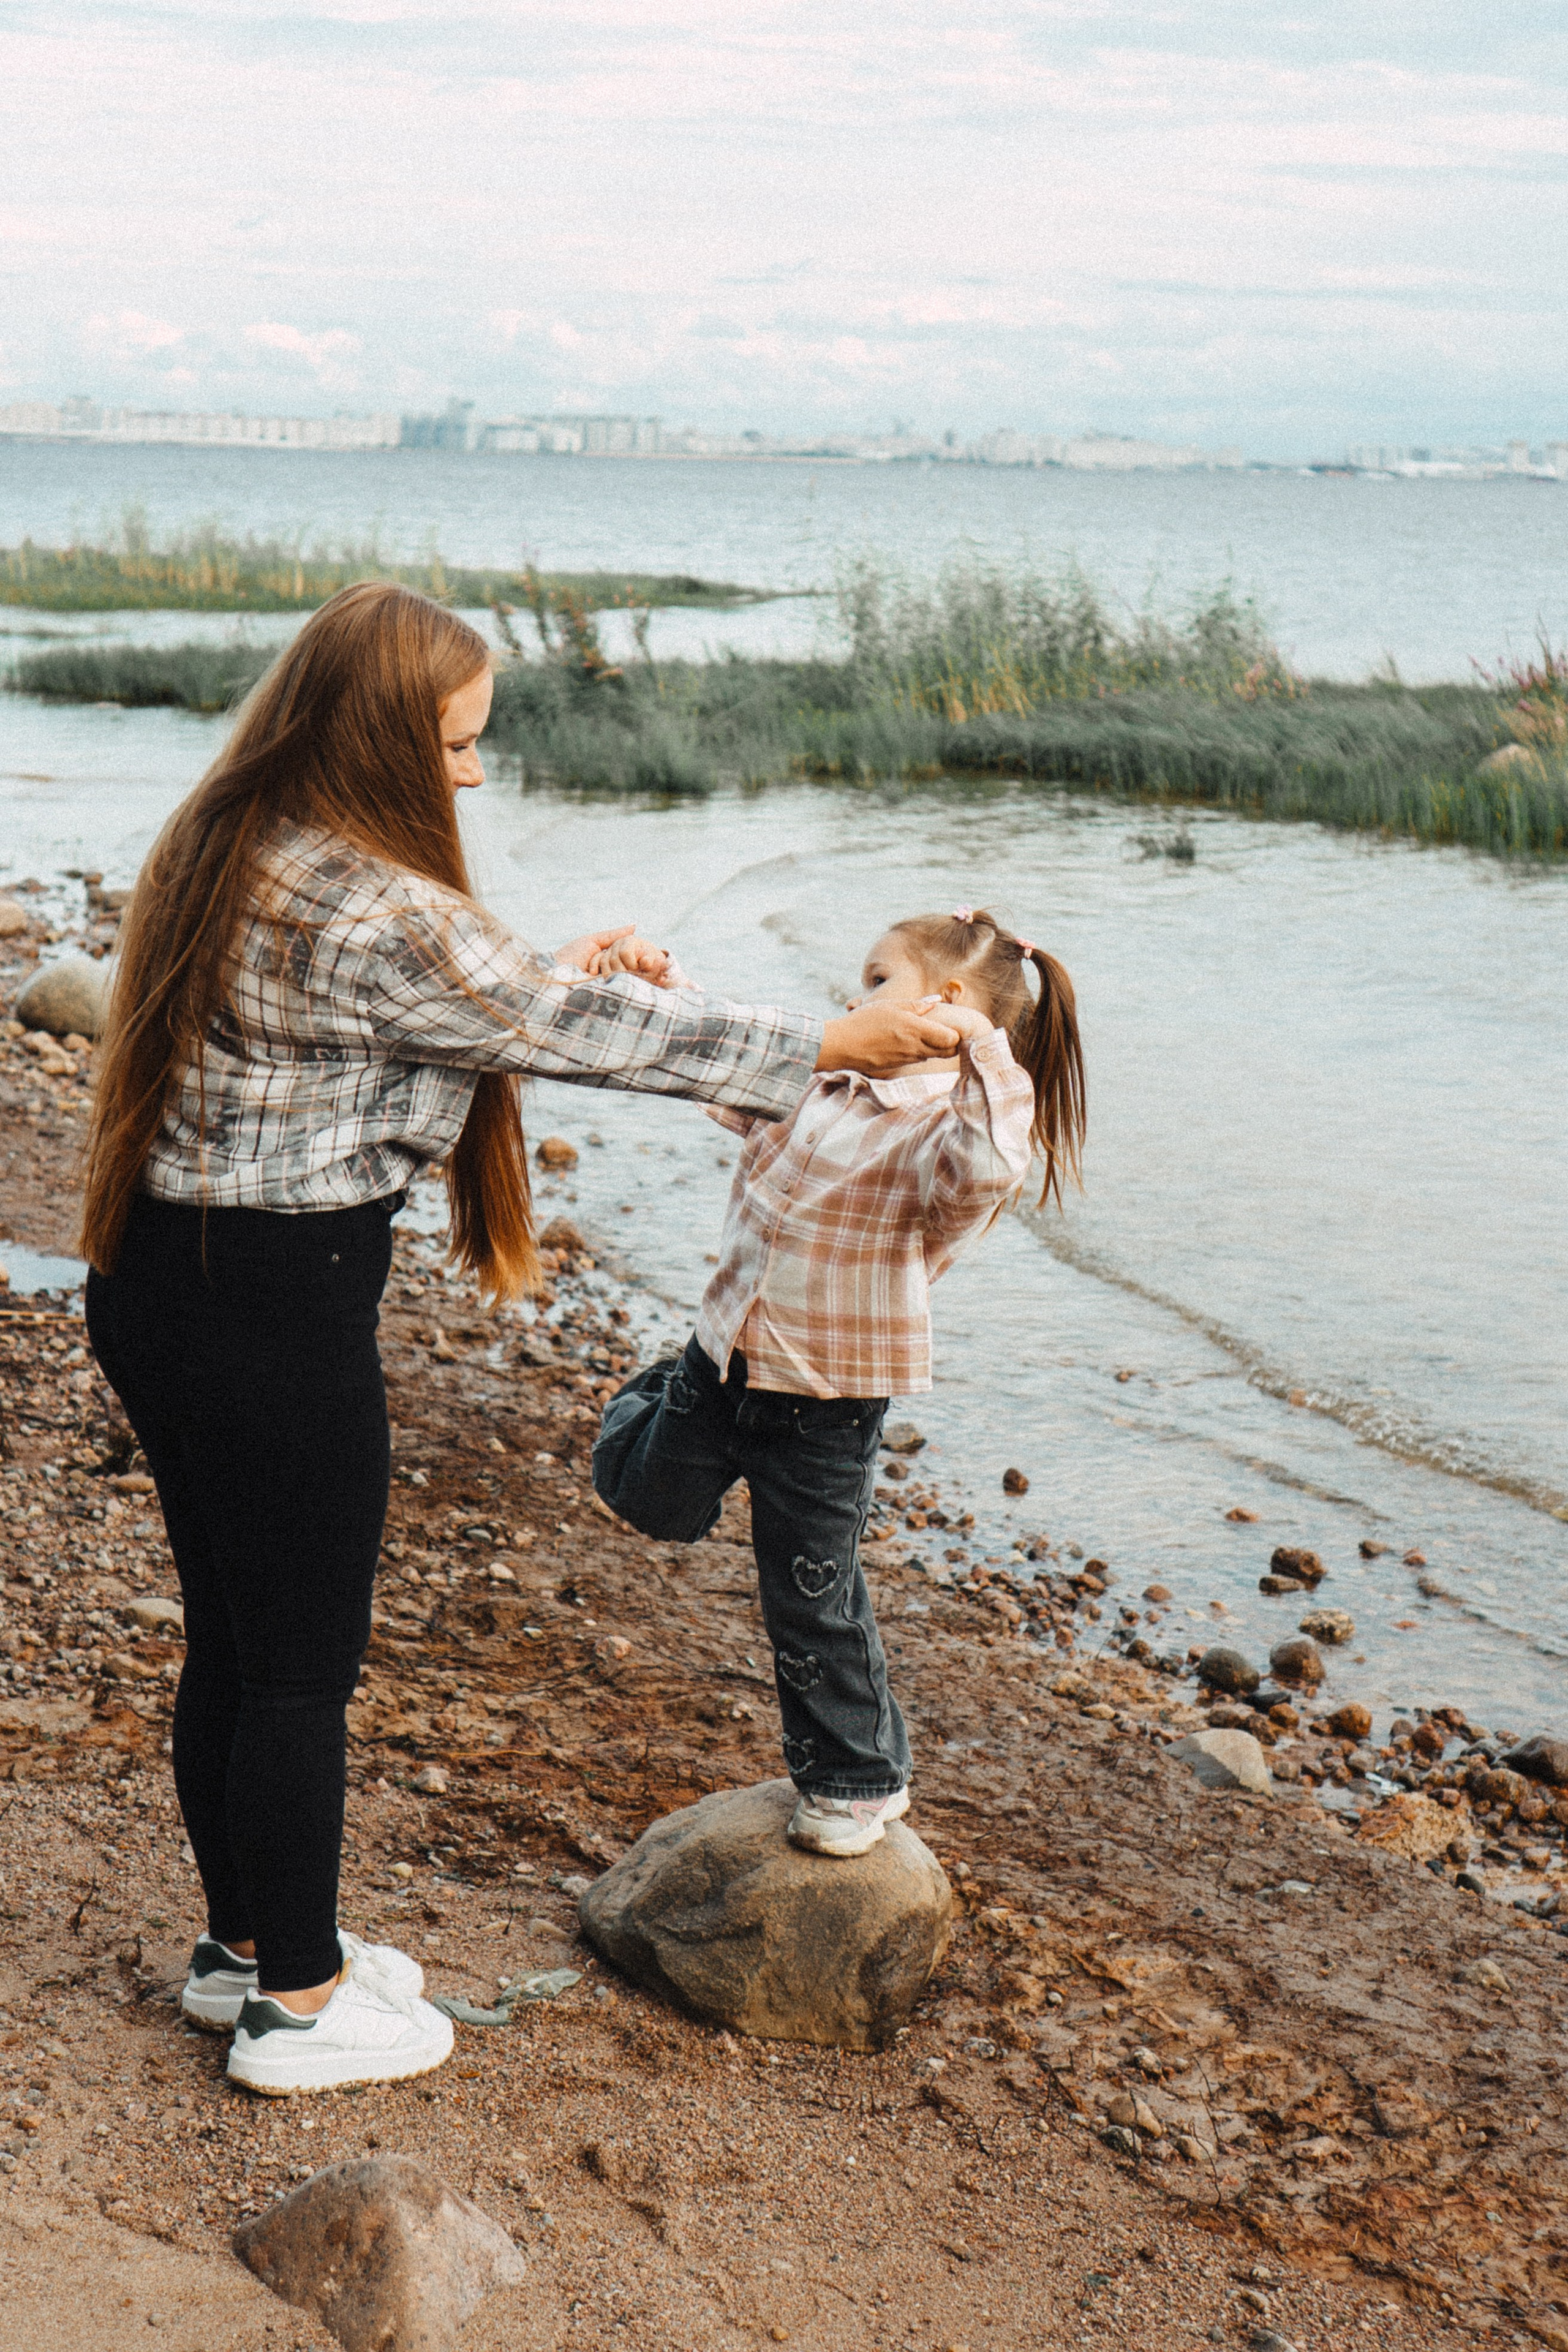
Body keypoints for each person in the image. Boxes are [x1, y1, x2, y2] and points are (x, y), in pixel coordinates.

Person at [79, 582, 963, 2097]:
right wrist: (835, 1042)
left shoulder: (248, 836)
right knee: (297, 1666)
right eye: (458, 745)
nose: (473, 774)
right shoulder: (373, 898)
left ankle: (247, 1953)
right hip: (269, 1314)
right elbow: (547, 1025)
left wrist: (559, 977)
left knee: (236, 1638)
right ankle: (298, 2003)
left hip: (169, 1282)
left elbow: (455, 1010)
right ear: (376, 739)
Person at [592, 906, 1087, 1856]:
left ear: (942, 1007)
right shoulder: (827, 1081)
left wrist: (984, 1049)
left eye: (874, 982)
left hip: (825, 1402)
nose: (853, 1002)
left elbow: (990, 1169)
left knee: (810, 1591)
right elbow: (728, 1070)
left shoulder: (948, 1132)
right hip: (720, 1358)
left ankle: (858, 1780)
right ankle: (655, 1389)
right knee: (647, 1499)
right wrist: (661, 986)